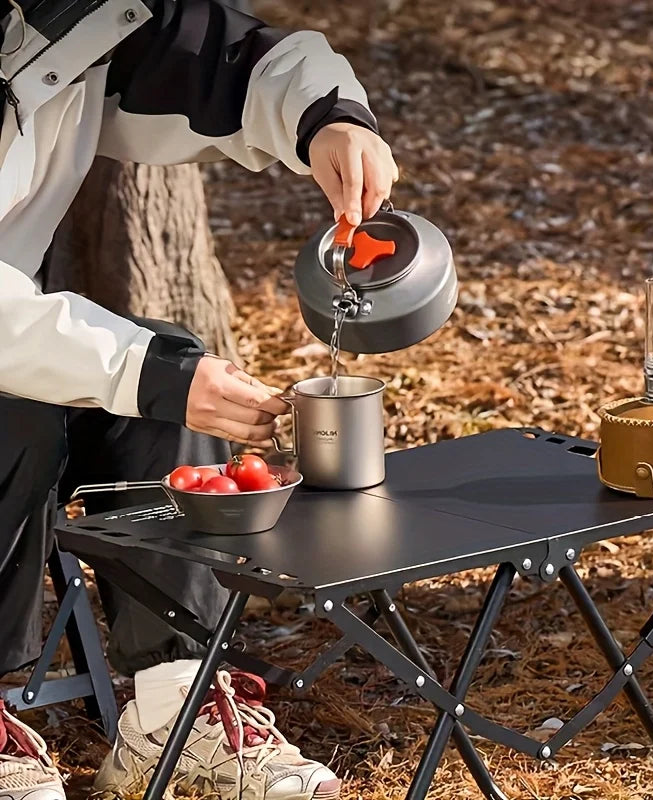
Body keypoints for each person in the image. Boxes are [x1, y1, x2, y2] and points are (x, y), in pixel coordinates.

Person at [0, 0, 398, 797]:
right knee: (35, 411)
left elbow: (226, 57)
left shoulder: (75, 18)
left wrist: (330, 119)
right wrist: (152, 374)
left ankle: (173, 707)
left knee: (156, 387)